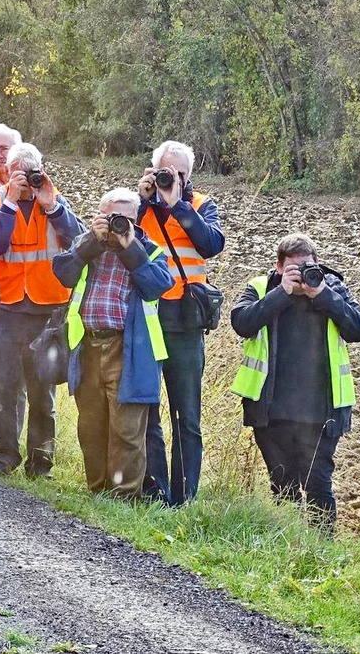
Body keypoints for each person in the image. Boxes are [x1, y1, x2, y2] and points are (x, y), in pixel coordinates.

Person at [230, 234, 360, 531]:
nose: (303, 273)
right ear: (279, 267)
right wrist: (281, 292)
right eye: (295, 268)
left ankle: (322, 550)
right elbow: (241, 323)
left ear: (317, 263)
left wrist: (321, 294)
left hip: (321, 410)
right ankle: (287, 545)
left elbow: (359, 327)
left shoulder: (331, 287)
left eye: (308, 266)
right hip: (271, 409)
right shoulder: (261, 288)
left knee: (318, 483)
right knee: (283, 485)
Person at [53, 188, 173, 498]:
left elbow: (157, 286)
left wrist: (129, 247)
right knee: (91, 427)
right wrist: (91, 242)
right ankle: (98, 491)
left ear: (137, 220)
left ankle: (123, 498)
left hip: (129, 349)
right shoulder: (88, 244)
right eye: (110, 217)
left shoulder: (150, 249)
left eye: (125, 219)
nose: (117, 224)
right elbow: (63, 273)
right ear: (99, 216)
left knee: (126, 431)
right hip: (89, 345)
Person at [0, 143, 84, 475]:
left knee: (43, 394)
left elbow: (80, 241)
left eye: (31, 172)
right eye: (17, 173)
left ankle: (42, 463)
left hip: (46, 312)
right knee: (2, 388)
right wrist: (11, 201)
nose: (26, 181)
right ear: (7, 174)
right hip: (4, 311)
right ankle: (4, 454)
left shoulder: (53, 200)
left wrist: (51, 205)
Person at [135, 141, 227, 505]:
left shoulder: (201, 205)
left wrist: (177, 204)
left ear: (189, 176)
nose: (169, 178)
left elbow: (211, 244)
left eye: (178, 173)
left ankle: (183, 496)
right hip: (147, 315)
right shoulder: (139, 204)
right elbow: (120, 234)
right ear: (152, 169)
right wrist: (144, 199)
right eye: (164, 171)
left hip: (186, 321)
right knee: (146, 408)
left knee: (186, 415)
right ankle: (154, 490)